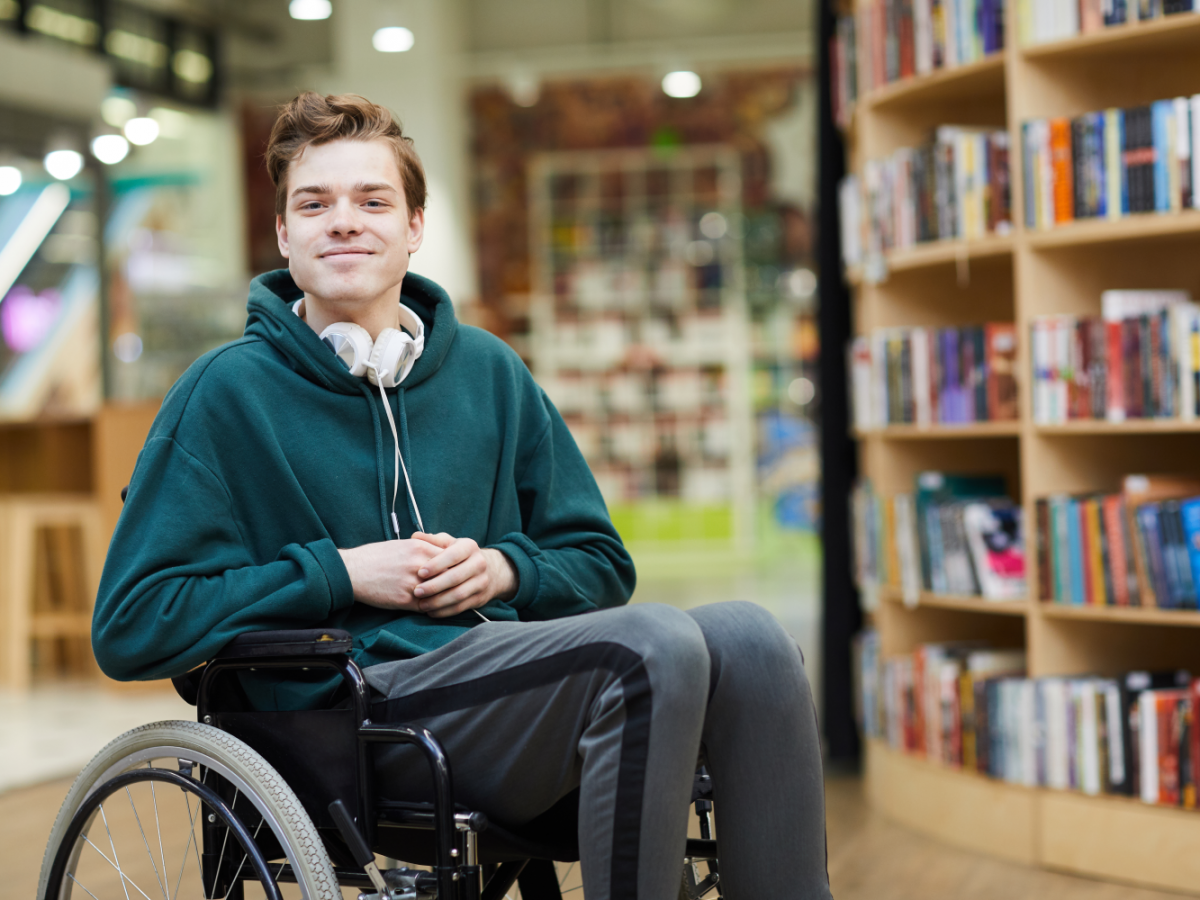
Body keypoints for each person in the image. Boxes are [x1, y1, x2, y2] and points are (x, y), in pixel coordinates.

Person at [92, 92, 833, 900]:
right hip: (358, 719)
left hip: (505, 688)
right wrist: (342, 574)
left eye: (373, 200)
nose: (343, 221)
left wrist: (503, 574)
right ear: (283, 235)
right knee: (649, 644)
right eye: (314, 204)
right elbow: (132, 624)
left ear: (413, 227)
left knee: (754, 641)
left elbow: (598, 563)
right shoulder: (223, 394)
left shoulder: (489, 372)